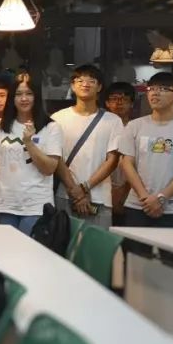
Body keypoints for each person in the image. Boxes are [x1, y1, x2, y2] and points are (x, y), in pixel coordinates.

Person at [119, 72, 173, 228]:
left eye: (163, 89)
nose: (155, 93)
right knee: (134, 245)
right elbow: (127, 164)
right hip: (138, 205)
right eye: (151, 89)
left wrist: (161, 198)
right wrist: (145, 197)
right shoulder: (135, 126)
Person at [0, 73, 62, 235]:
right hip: (4, 205)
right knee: (6, 250)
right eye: (18, 94)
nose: (24, 98)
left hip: (36, 206)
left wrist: (29, 143)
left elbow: (49, 169)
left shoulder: (51, 127)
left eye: (29, 93)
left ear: (36, 96)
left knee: (28, 250)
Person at [51, 65, 123, 230]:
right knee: (63, 243)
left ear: (99, 87)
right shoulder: (58, 118)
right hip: (65, 195)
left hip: (99, 198)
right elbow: (56, 158)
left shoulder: (113, 121)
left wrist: (84, 187)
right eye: (80, 80)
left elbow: (112, 160)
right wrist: (74, 189)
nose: (85, 84)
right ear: (72, 85)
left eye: (91, 80)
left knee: (97, 245)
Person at [105, 81, 137, 223]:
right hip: (102, 187)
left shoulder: (137, 128)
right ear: (107, 103)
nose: (119, 103)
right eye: (114, 99)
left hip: (130, 189)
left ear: (132, 103)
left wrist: (124, 191)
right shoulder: (101, 128)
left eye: (124, 99)